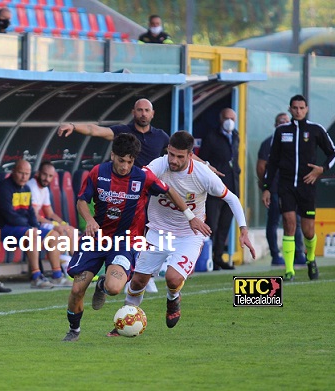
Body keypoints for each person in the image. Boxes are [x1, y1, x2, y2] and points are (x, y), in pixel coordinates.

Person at [62, 133, 209, 342]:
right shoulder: (98, 173)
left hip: (125, 241)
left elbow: (170, 192)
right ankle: (74, 330)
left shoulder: (142, 177)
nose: (125, 166)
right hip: (97, 238)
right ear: (113, 155)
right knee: (77, 289)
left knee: (114, 289)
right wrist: (90, 220)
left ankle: (102, 285)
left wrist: (190, 217)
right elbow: (81, 201)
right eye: (121, 160)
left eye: (129, 162)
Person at [106, 131, 255, 336]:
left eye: (179, 156)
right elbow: (140, 177)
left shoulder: (203, 174)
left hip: (189, 234)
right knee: (138, 281)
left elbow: (231, 198)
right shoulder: (159, 164)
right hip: (157, 231)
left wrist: (243, 230)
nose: (174, 160)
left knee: (173, 278)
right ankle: (124, 321)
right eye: (171, 154)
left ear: (190, 155)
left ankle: (173, 298)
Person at [262, 94, 335, 281]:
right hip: (286, 186)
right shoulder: (281, 132)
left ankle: (310, 259)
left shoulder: (316, 130)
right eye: (295, 108)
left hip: (307, 186)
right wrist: (267, 188)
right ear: (290, 109)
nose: (298, 111)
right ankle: (289, 270)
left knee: (309, 231)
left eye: (302, 108)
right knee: (288, 224)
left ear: (307, 109)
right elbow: (272, 162)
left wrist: (321, 169)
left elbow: (332, 153)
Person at [0, 159, 70, 289]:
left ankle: (57, 275)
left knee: (54, 235)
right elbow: (10, 216)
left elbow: (31, 213)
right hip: (4, 229)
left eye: (27, 174)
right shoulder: (4, 188)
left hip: (24, 229)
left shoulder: (26, 188)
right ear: (13, 172)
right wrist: (31, 228)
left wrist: (35, 226)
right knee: (32, 233)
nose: (24, 177)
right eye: (21, 173)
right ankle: (36, 277)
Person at [256, 113, 305, 266]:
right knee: (274, 221)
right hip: (275, 189)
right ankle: (275, 255)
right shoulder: (268, 143)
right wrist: (266, 186)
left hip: (292, 189)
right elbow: (261, 166)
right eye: (280, 122)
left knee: (294, 221)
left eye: (285, 121)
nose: (283, 124)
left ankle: (298, 253)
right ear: (275, 125)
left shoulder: (295, 141)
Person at [198, 108, 240, 270]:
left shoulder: (235, 135)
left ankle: (218, 256)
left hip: (232, 188)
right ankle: (207, 257)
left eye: (232, 118)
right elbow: (203, 160)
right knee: (212, 225)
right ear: (221, 119)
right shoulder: (211, 136)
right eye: (227, 118)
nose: (230, 121)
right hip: (215, 188)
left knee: (225, 225)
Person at [26, 161, 78, 256]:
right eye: (44, 175)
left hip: (39, 223)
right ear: (38, 173)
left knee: (71, 230)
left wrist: (63, 223)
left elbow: (50, 213)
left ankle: (74, 264)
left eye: (50, 176)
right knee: (60, 230)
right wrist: (54, 224)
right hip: (31, 224)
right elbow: (33, 215)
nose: (47, 179)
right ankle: (65, 265)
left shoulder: (44, 188)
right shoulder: (31, 186)